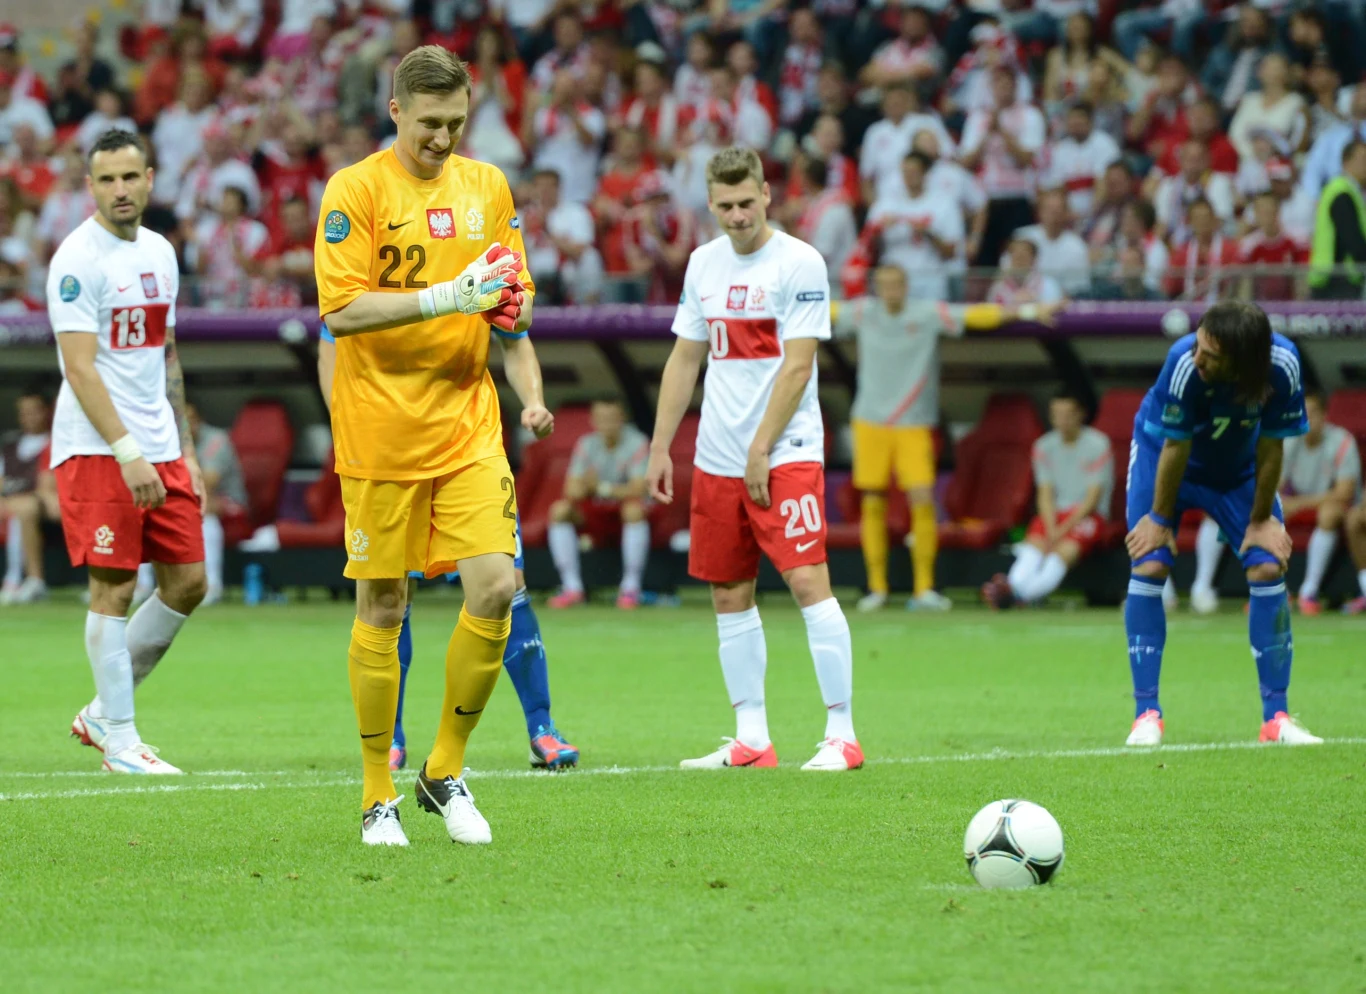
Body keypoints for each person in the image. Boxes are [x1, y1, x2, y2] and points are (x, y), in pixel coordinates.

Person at [314, 46, 553, 847]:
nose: (443, 139)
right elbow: (341, 310)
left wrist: (514, 305)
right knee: (385, 604)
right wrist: (446, 296)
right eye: (429, 124)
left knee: (496, 585)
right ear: (395, 112)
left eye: (455, 123)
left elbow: (509, 303)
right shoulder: (355, 190)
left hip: (467, 423)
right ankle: (374, 790)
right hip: (380, 430)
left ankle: (443, 770)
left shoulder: (488, 186)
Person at [646, 146, 862, 773]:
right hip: (716, 455)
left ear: (768, 194)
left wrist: (762, 448)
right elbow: (686, 359)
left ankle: (842, 734)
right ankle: (751, 739)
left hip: (785, 450)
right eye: (725, 206)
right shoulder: (702, 265)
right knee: (728, 592)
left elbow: (798, 366)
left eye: (747, 203)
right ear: (710, 204)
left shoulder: (800, 262)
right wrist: (662, 446)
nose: (737, 216)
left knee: (806, 580)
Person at [317, 326, 578, 774]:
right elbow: (332, 348)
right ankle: (392, 738)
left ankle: (541, 728)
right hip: (393, 456)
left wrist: (534, 401)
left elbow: (516, 335)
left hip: (470, 450)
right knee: (391, 597)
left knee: (505, 584)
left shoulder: (476, 257)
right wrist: (349, 427)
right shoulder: (367, 265)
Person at [45, 129, 210, 775]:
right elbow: (81, 369)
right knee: (113, 585)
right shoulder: (76, 260)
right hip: (97, 445)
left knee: (190, 582)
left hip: (160, 444)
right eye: (106, 179)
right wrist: (126, 450)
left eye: (129, 177)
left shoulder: (162, 252)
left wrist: (183, 447)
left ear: (148, 178)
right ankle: (119, 738)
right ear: (90, 186)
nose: (120, 189)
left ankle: (101, 712)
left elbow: (164, 355)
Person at [1122, 300, 1322, 748]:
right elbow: (1175, 447)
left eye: (1212, 355)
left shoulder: (1283, 366)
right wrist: (1158, 519)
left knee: (1268, 563)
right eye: (1199, 346)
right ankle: (1146, 715)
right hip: (1166, 459)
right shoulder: (1182, 361)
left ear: (1244, 360)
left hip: (1237, 470)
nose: (1199, 359)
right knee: (1149, 563)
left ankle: (1276, 719)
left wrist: (1260, 520)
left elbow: (1272, 448)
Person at [837, 262, 1059, 614]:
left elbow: (976, 315)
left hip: (914, 423)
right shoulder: (862, 312)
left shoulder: (926, 314)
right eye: (884, 285)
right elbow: (821, 309)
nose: (891, 291)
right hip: (870, 421)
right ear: (876, 287)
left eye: (896, 283)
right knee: (873, 499)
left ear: (906, 284)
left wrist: (1031, 310)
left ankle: (924, 588)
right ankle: (876, 588)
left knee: (922, 498)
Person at [983, 392, 1114, 608]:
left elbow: (1093, 498)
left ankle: (1015, 594)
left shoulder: (1098, 444)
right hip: (1054, 515)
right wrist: (1052, 526)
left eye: (1068, 415)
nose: (1062, 421)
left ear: (1081, 414)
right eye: (1056, 415)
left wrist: (1062, 530)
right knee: (1034, 546)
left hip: (1088, 516)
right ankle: (1012, 590)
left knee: (1063, 551)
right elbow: (1044, 493)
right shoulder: (1044, 446)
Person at [135, 402, 246, 607]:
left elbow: (206, 484)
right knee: (141, 507)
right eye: (178, 422)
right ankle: (141, 586)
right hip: (181, 497)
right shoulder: (161, 442)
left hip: (228, 503)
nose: (185, 427)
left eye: (190, 421)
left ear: (199, 421)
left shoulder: (216, 440)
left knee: (203, 509)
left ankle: (212, 585)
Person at [546, 396, 651, 610]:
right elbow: (571, 490)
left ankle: (631, 588)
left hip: (625, 512)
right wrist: (590, 488)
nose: (607, 424)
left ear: (622, 418)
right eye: (601, 418)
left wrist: (599, 487)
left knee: (634, 510)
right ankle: (571, 588)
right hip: (595, 512)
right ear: (593, 420)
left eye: (612, 418)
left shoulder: (638, 442)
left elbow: (638, 489)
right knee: (559, 511)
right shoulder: (586, 444)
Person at [0, 389, 54, 605]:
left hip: (40, 507)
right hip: (8, 503)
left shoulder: (56, 443)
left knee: (22, 509)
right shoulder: (9, 446)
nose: (28, 417)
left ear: (46, 412)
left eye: (34, 411)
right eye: (24, 412)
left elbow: (46, 488)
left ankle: (13, 580)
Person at [1308, 139, 1366, 300]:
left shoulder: (1348, 192)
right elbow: (1352, 239)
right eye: (1363, 159)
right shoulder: (1341, 192)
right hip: (1336, 280)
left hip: (1333, 279)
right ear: (1346, 162)